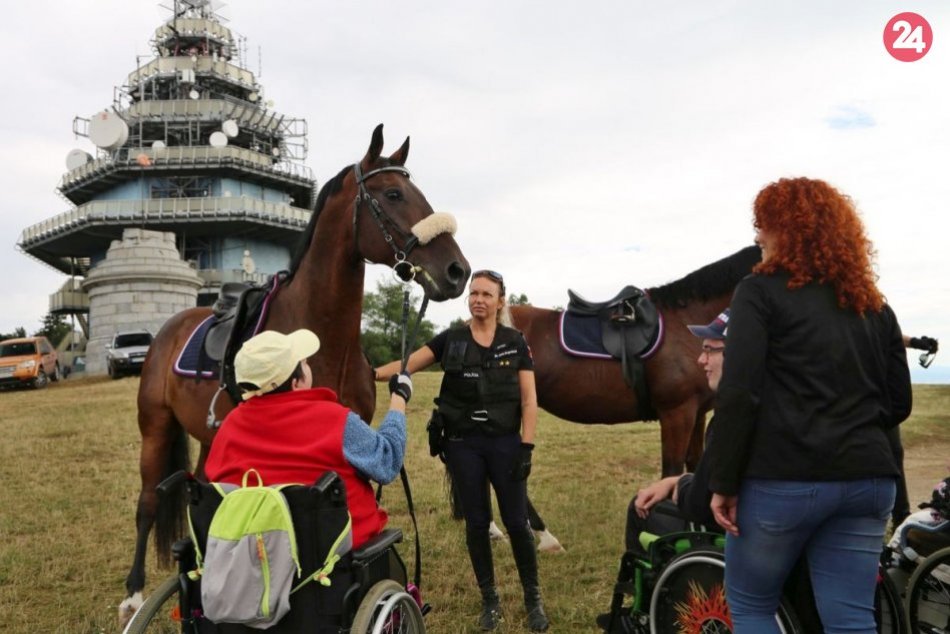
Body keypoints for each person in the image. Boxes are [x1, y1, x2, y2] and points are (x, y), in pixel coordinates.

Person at [706, 177, 912, 633]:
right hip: (868, 481)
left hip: (783, 481)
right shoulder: (874, 306)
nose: (757, 236)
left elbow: (739, 394)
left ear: (790, 229)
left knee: (754, 607)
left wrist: (722, 481)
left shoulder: (757, 292)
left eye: (764, 225)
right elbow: (898, 402)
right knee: (851, 618)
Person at [376, 269, 549, 632]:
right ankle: (491, 601)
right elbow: (407, 366)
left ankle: (533, 598)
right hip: (463, 445)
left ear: (501, 301)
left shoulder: (515, 342)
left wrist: (526, 447)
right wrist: (368, 372)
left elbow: (530, 400)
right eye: (474, 293)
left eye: (487, 294)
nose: (478, 300)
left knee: (517, 523)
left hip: (505, 444)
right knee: (477, 523)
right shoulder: (450, 339)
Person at [205, 329, 412, 553]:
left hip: (254, 550)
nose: (309, 366)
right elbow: (387, 461)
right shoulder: (335, 419)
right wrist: (399, 398)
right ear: (296, 382)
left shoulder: (230, 425)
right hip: (331, 554)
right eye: (304, 363)